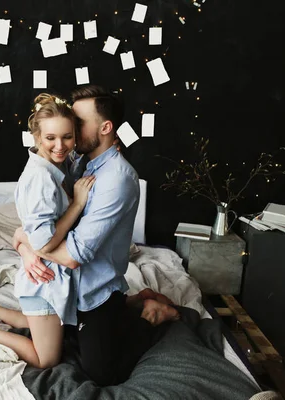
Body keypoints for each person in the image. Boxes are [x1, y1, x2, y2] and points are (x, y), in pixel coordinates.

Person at [13, 85, 180, 386]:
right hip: (72, 287)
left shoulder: (117, 179)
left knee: (103, 374)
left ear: (105, 127)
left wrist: (30, 244)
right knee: (68, 342)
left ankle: (150, 314)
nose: (71, 134)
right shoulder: (78, 163)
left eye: (78, 125)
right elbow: (33, 223)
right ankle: (135, 301)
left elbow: (73, 257)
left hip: (95, 292)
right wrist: (25, 248)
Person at [0, 93, 95, 369]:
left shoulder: (55, 167)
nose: (60, 146)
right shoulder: (41, 179)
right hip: (45, 278)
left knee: (47, 326)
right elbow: (46, 241)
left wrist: (22, 242)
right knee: (46, 359)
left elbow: (28, 231)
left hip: (46, 275)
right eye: (51, 138)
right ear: (37, 137)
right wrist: (78, 203)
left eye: (67, 137)